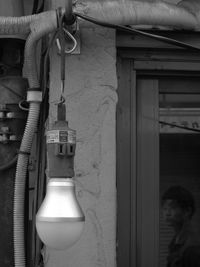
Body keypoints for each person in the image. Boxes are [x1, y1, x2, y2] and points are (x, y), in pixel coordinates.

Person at [161, 185, 200, 267]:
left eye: (173, 208)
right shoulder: (176, 240)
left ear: (187, 211)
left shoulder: (193, 247)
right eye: (164, 208)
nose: (167, 213)